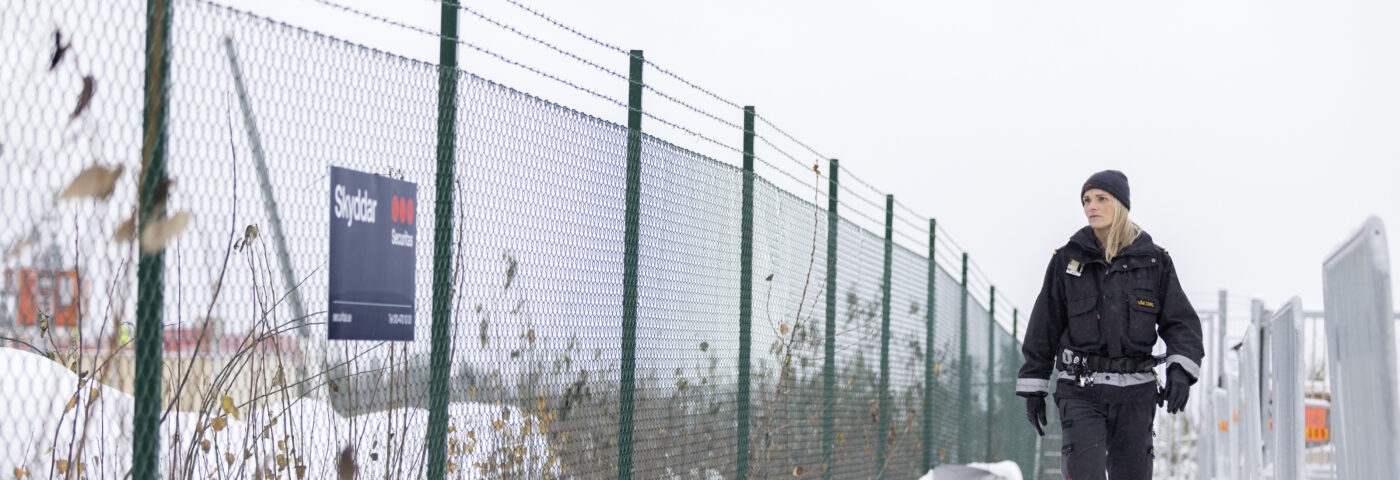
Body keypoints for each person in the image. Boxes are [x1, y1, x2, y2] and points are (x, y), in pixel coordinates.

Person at [1016, 170, 1204, 479]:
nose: (1092, 206)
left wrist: (1180, 370)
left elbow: (1181, 322)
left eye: (1101, 199)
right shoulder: (1066, 261)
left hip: (1136, 394)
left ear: (1121, 205)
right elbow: (1044, 326)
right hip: (1080, 392)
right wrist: (1034, 387)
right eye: (1087, 200)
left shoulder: (1155, 262)